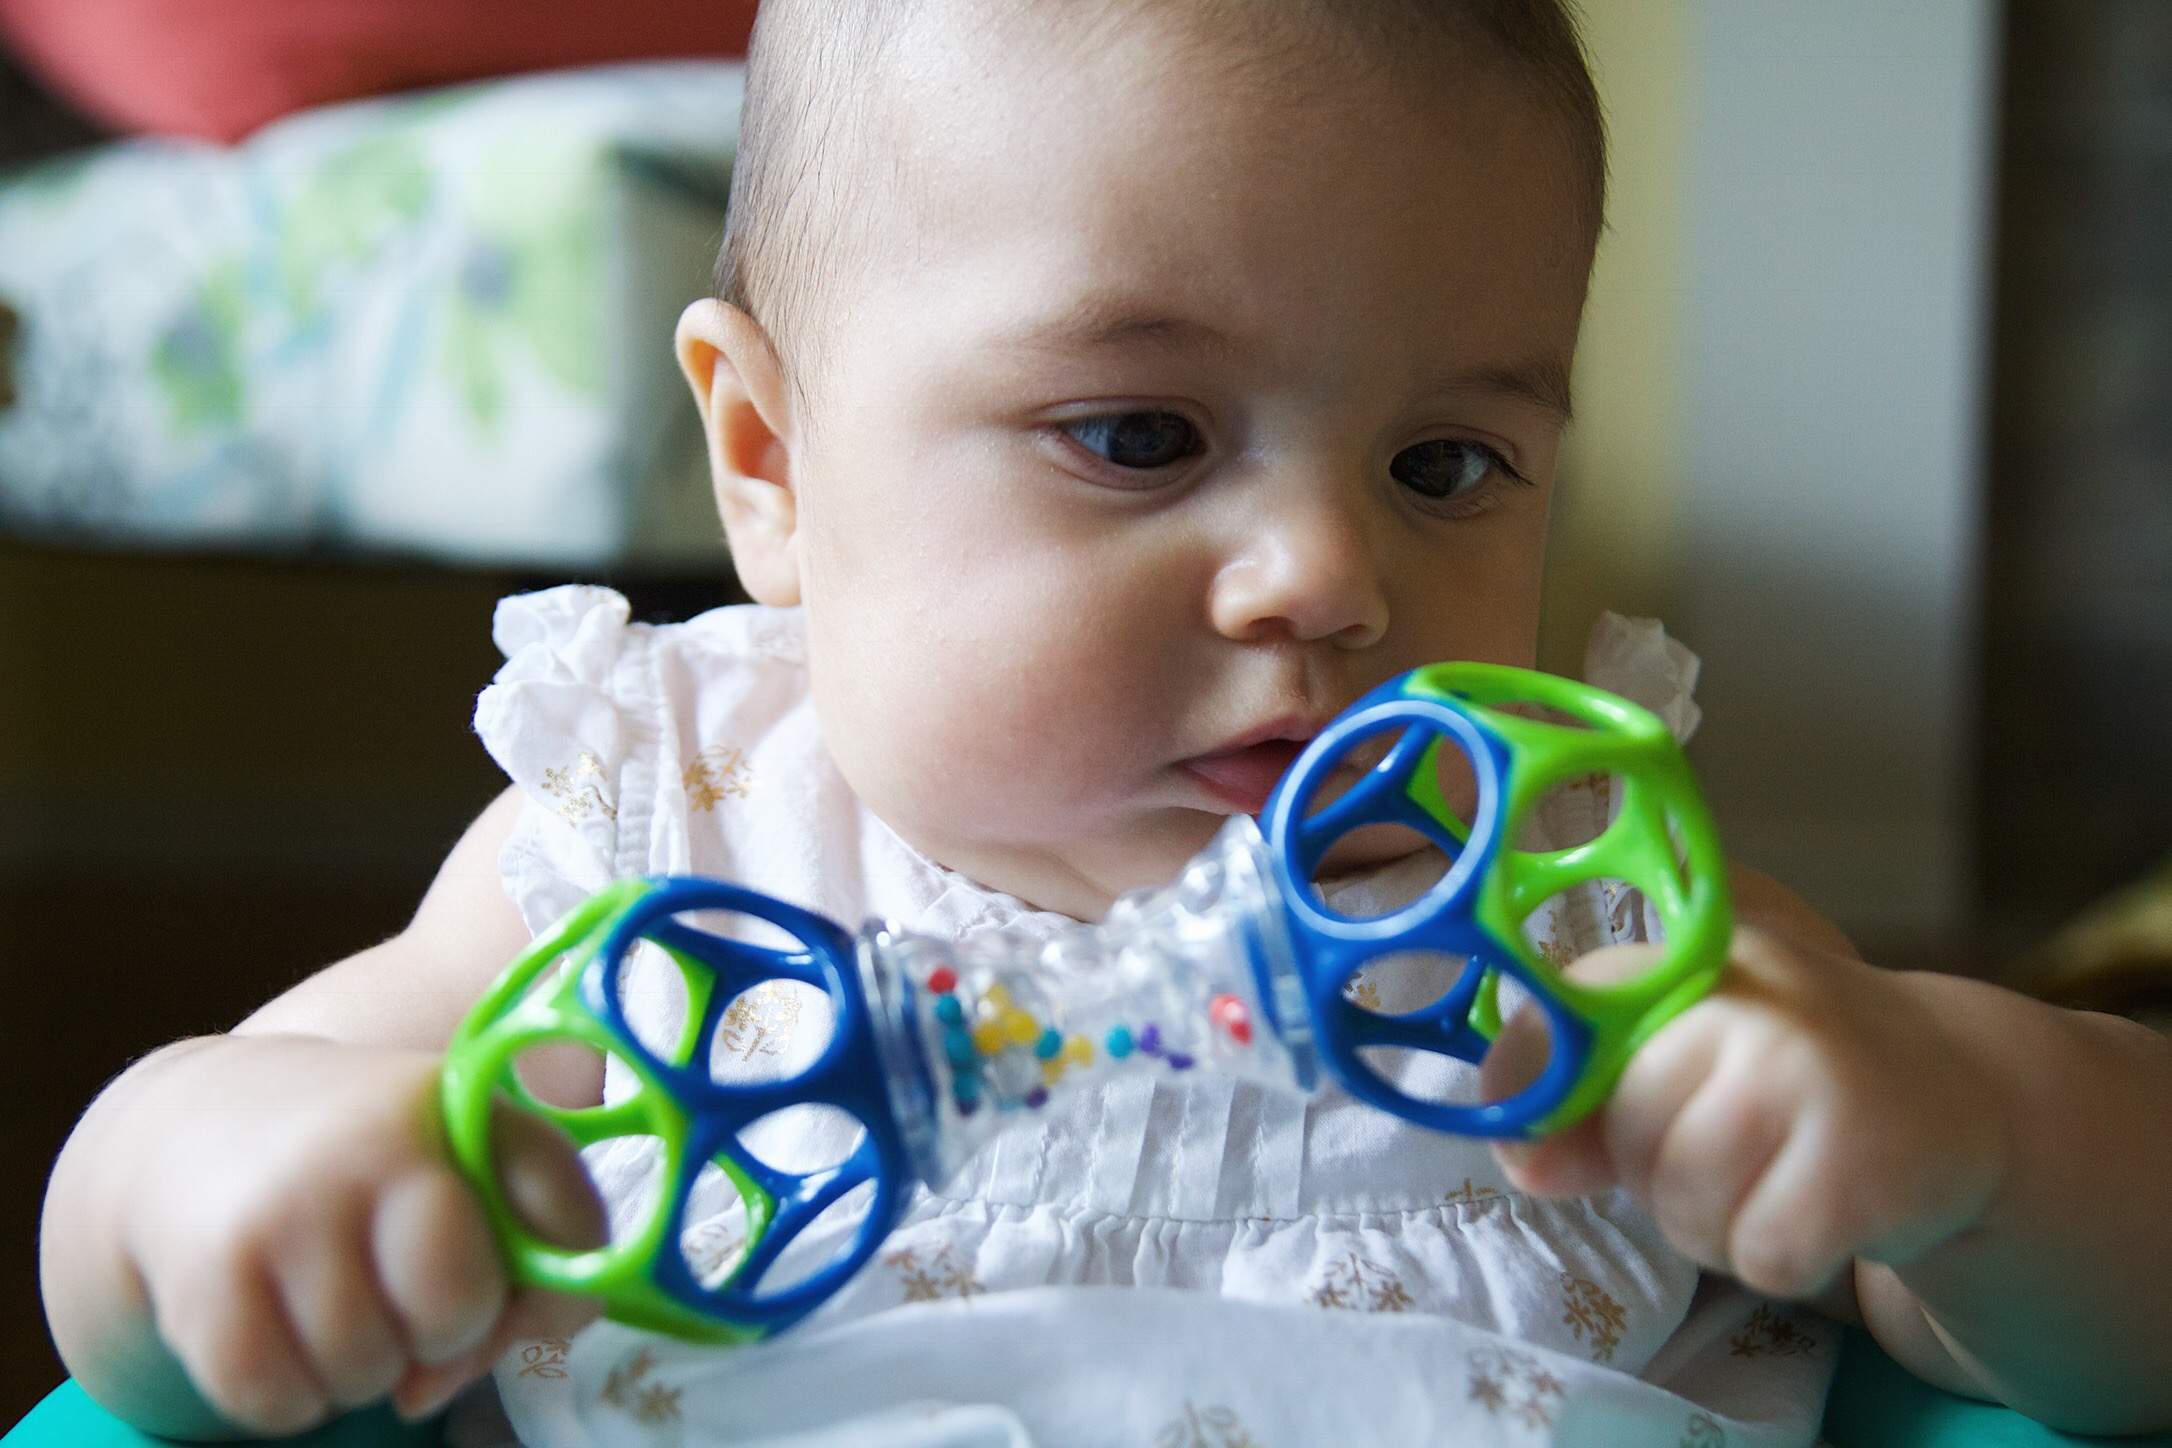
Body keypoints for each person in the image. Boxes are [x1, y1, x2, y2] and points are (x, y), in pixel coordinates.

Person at [39, 1, 2172, 1443]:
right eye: (1141, 433)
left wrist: (1960, 1134)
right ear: (770, 461)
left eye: (1445, 464)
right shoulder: (660, 844)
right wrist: (237, 1194)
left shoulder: (1574, 926)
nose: (1326, 575)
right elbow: (165, 1200)